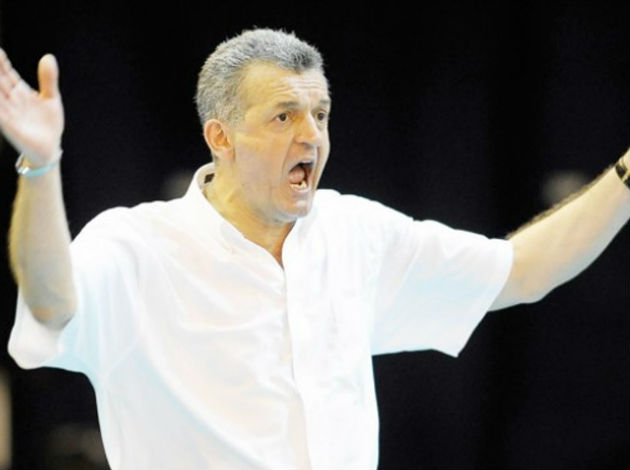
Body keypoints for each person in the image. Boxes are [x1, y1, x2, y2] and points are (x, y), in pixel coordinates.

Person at [1, 28, 628, 470]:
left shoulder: (356, 233)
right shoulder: (137, 246)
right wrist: (42, 165)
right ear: (221, 137)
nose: (312, 136)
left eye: (320, 114)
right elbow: (51, 303)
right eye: (284, 116)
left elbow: (522, 271)